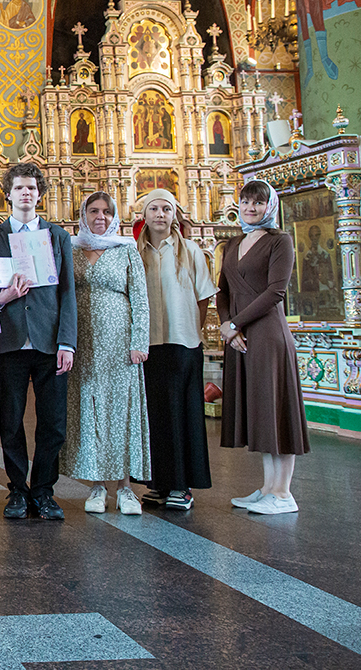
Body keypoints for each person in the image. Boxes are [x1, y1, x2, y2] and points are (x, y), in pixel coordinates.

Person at [0, 163, 76, 521]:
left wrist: (67, 342)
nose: (26, 193)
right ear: (8, 194)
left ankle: (44, 490)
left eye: (32, 188)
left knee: (53, 422)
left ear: (40, 193)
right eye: (19, 188)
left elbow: (67, 292)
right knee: (10, 421)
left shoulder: (57, 236)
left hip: (49, 341)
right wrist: (3, 298)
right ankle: (18, 489)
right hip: (12, 340)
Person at [218, 180, 309, 514]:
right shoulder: (233, 243)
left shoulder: (280, 240)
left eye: (258, 202)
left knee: (276, 410)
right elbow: (223, 291)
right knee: (261, 412)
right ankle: (268, 487)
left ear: (270, 206)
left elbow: (275, 292)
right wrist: (228, 327)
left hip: (268, 334)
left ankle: (283, 494)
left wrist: (235, 324)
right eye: (245, 201)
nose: (250, 208)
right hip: (240, 336)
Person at [60, 192, 150, 515]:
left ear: (115, 217)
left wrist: (140, 341)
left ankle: (125, 488)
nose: (101, 217)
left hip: (120, 345)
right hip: (82, 344)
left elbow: (140, 299)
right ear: (83, 216)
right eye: (94, 211)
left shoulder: (126, 250)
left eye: (107, 212)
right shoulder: (71, 249)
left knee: (121, 411)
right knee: (89, 411)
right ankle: (97, 485)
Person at [136, 188, 215, 511]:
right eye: (154, 209)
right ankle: (159, 483)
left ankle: (182, 485)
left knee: (184, 415)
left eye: (166, 209)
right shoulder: (135, 252)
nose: (160, 214)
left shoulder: (191, 251)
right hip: (148, 345)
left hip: (183, 343)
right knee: (154, 416)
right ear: (144, 216)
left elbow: (203, 297)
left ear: (174, 215)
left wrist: (192, 329)